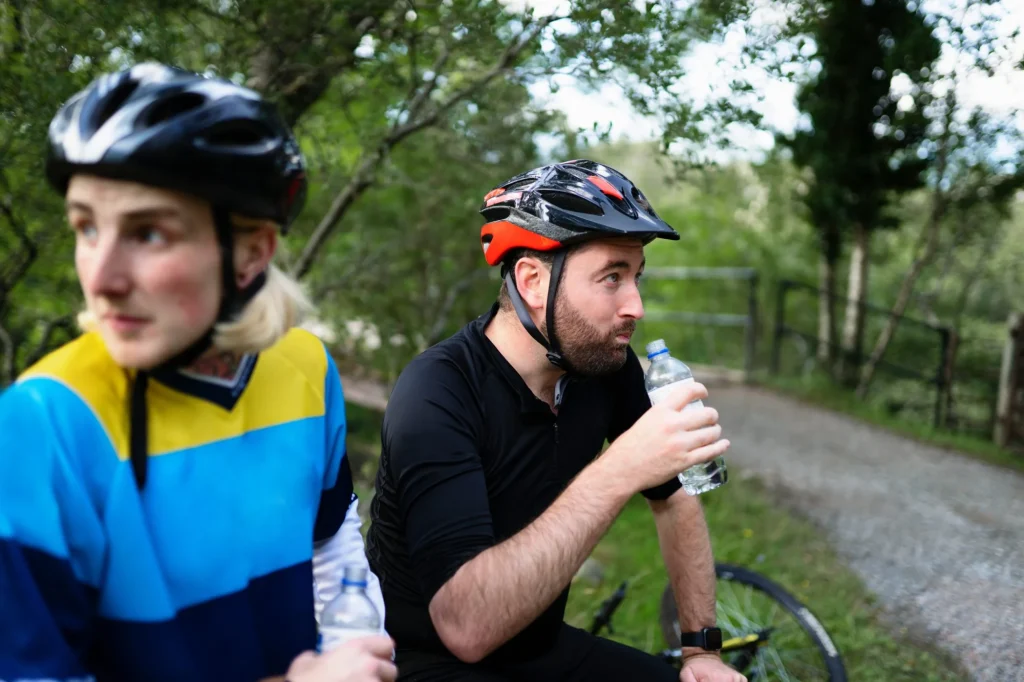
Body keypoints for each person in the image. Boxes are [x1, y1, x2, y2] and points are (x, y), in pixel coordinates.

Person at [0, 63, 394, 682]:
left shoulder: (306, 367)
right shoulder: (44, 423)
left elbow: (331, 544)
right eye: (86, 227)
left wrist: (355, 641)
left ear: (251, 253)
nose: (100, 278)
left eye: (149, 232)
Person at [366, 159, 745, 681]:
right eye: (612, 277)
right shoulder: (437, 392)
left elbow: (675, 496)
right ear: (532, 280)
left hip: (541, 650)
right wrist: (619, 469)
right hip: (422, 662)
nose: (635, 305)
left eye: (636, 277)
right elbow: (465, 628)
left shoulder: (605, 367)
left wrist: (702, 650)